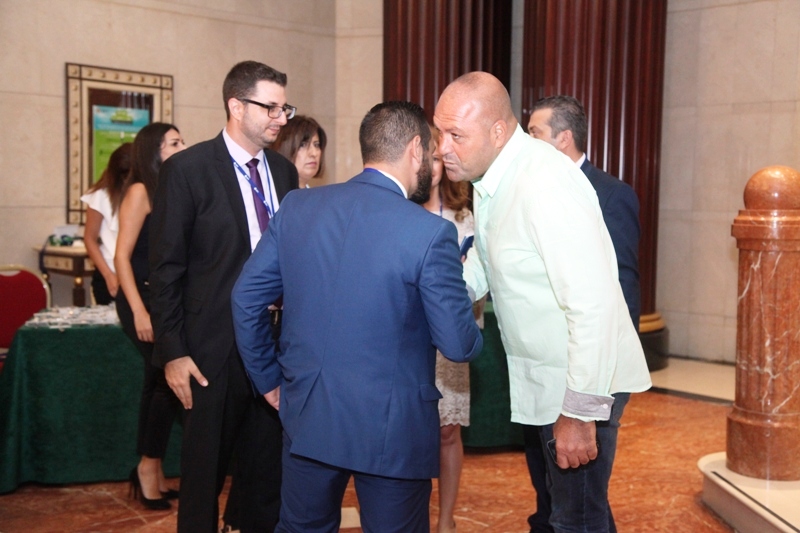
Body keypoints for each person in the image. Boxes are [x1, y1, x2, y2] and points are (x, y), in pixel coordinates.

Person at [231, 101, 483, 533]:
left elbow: (245, 298)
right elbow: (459, 344)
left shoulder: (298, 208)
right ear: (416, 150)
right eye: (432, 150)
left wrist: (268, 379)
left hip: (308, 411)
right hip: (393, 426)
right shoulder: (429, 233)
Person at [433, 71, 651, 533]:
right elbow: (485, 263)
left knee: (578, 519)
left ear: (497, 131)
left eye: (455, 135)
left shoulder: (545, 183)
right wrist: (436, 293)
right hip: (548, 380)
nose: (442, 148)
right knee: (568, 511)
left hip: (579, 384)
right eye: (439, 133)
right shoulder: (493, 177)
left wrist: (578, 413)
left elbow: (592, 304)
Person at [148, 60, 298, 533]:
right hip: (212, 348)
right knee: (203, 477)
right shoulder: (187, 170)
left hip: (275, 344)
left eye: (284, 108)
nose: (280, 118)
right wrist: (173, 352)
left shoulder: (284, 172)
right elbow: (165, 270)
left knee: (266, 474)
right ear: (236, 105)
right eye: (270, 107)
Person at [525, 95, 643, 531]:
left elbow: (622, 288)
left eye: (534, 133)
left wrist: (603, 381)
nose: (527, 142)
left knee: (582, 500)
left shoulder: (612, 195)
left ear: (563, 138)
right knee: (555, 488)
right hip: (547, 370)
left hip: (592, 373)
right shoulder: (535, 192)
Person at [114, 123, 185, 510]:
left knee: (156, 383)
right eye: (174, 142)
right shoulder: (140, 191)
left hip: (162, 299)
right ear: (153, 151)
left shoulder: (170, 189)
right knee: (163, 381)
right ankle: (146, 467)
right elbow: (121, 257)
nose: (183, 146)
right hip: (139, 300)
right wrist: (140, 311)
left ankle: (150, 468)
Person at [417, 126, 475, 533]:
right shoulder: (400, 210)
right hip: (410, 337)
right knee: (412, 432)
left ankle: (445, 518)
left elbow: (476, 285)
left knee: (448, 432)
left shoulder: (463, 216)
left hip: (448, 338)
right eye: (429, 158)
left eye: (439, 158)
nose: (434, 166)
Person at [80, 142, 132, 305]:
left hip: (138, 273)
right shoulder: (100, 196)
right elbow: (90, 239)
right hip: (111, 270)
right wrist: (108, 275)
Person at [271, 115, 327, 188]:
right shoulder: (270, 192)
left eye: (316, 145)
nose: (314, 153)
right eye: (303, 145)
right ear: (284, 147)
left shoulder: (317, 194)